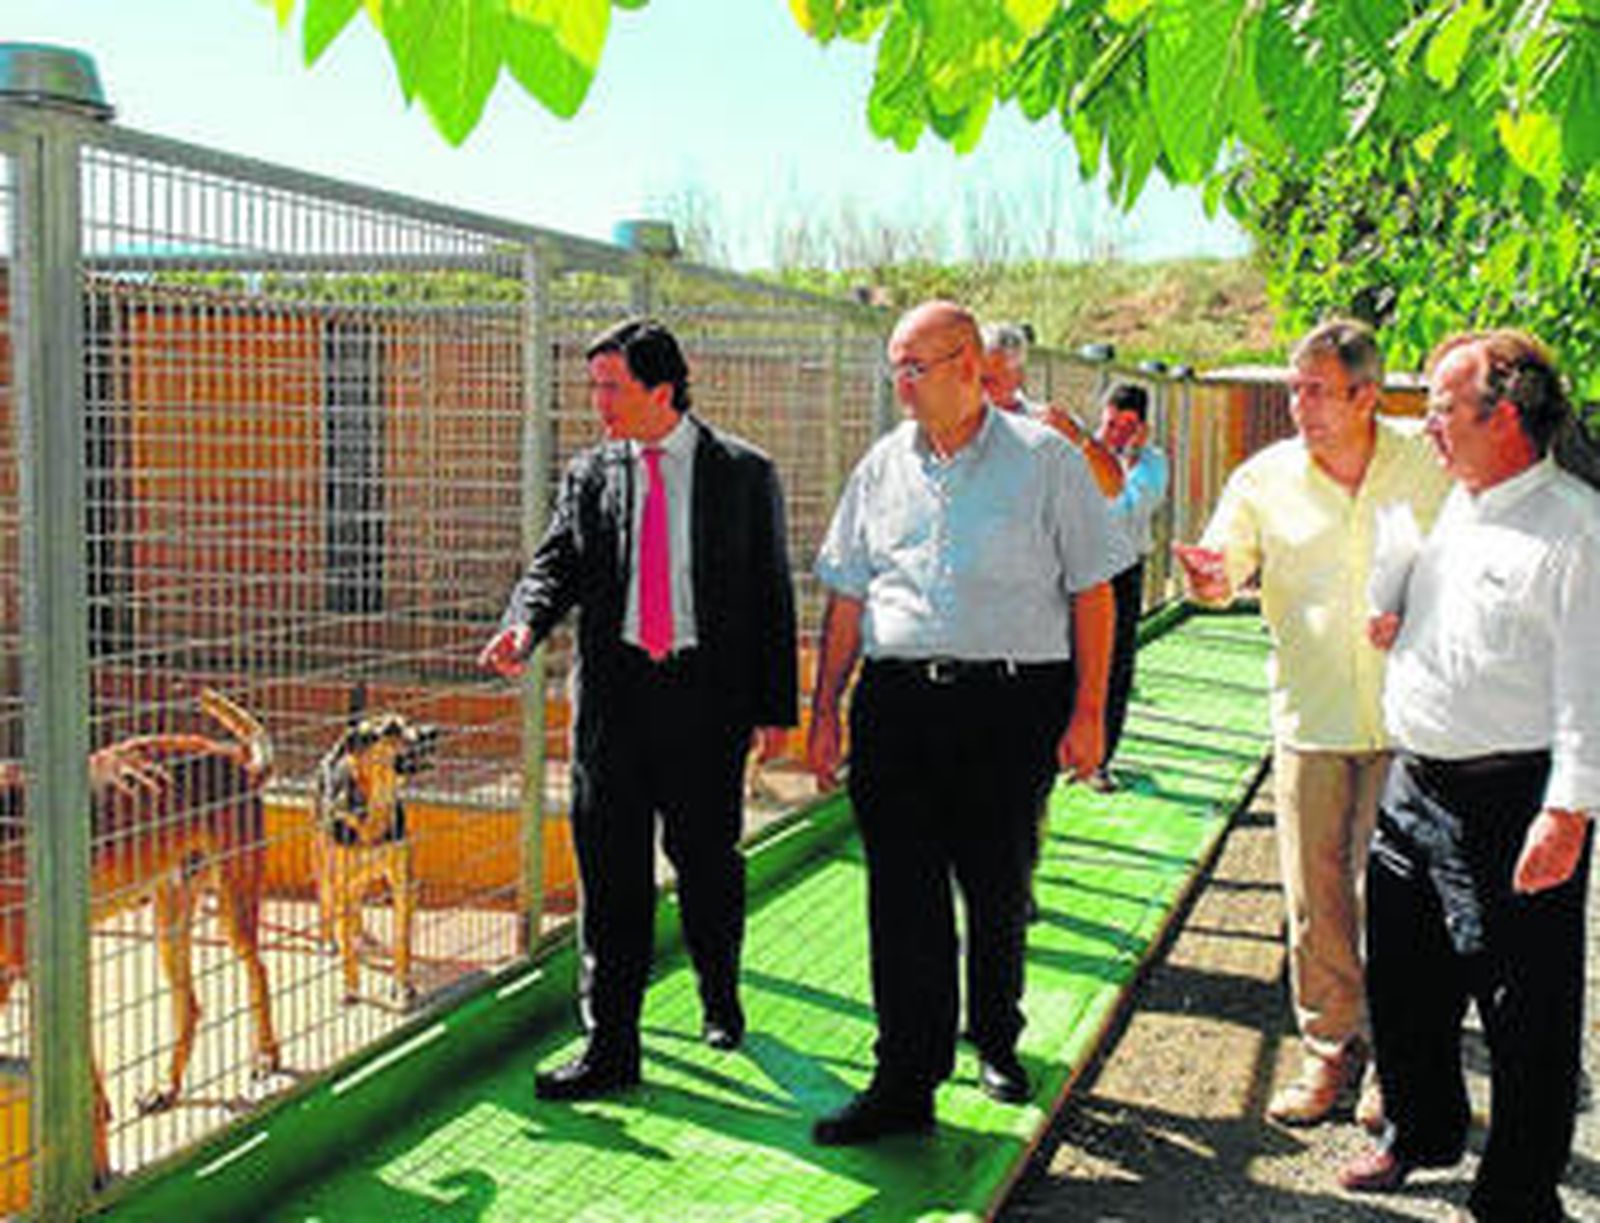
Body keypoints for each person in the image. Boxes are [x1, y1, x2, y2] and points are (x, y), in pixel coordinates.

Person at [807, 301, 1116, 1145]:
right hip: (897, 704)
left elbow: (1093, 588)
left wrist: (1089, 712)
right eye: (895, 367)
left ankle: (997, 1038)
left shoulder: (1045, 459)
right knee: (901, 898)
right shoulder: (880, 467)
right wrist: (824, 709)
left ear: (970, 362)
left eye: (916, 366)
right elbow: (846, 594)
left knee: (996, 881)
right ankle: (905, 1078)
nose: (901, 384)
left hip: (1009, 705)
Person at [478, 317, 797, 1100]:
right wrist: (524, 621)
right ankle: (609, 1045)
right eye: (592, 386)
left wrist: (774, 705)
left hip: (705, 702)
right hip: (614, 706)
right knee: (611, 879)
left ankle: (719, 994)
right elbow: (554, 564)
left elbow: (770, 594)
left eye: (610, 386)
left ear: (663, 388)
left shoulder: (744, 473)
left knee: (707, 865)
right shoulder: (591, 474)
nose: (597, 403)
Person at [1340, 331, 1599, 1221]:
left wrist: (1568, 810)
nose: (1428, 429)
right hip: (1418, 786)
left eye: (1443, 409)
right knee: (1403, 981)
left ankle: (1520, 1191)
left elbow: (1587, 684)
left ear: (1508, 415)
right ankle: (1421, 1132)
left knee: (1524, 1007)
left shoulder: (1575, 526)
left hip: (1514, 795)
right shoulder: (1460, 504)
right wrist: (1396, 616)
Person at [1174, 319, 1448, 1128]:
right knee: (1315, 898)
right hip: (1310, 717)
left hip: (1414, 719)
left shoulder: (1429, 461)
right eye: (1294, 388)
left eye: (1317, 390)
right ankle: (1329, 1053)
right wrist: (1214, 578)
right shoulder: (1264, 478)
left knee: (1396, 898)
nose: (1300, 405)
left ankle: (1392, 1065)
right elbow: (1226, 571)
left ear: (1369, 395)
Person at [1092, 382, 1170, 792]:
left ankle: (1100, 760)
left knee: (1115, 666)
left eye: (1128, 425)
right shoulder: (1076, 454)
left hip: (1123, 571)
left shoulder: (1152, 463)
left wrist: (1128, 459)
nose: (1117, 433)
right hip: (1079, 570)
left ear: (1142, 427)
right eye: (1111, 422)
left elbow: (1131, 509)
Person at [980, 321, 1125, 498]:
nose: (982, 390)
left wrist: (1079, 439)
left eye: (990, 381)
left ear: (1018, 376)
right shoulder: (953, 423)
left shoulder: (1048, 425)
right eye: (975, 379)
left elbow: (1113, 487)